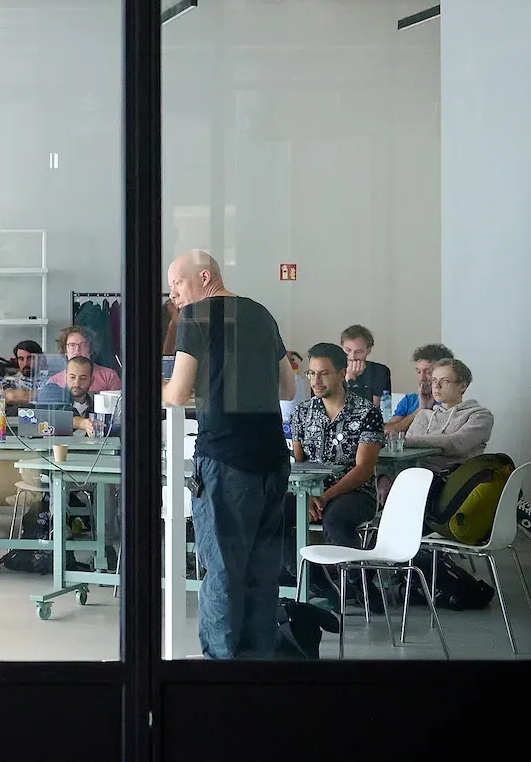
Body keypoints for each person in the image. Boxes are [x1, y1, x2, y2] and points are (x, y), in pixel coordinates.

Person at [164, 250, 295, 660]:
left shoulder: (194, 318)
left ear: (205, 277)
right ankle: (257, 669)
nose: (174, 296)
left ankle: (219, 673)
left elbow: (178, 393)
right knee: (262, 571)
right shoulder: (261, 313)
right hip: (273, 458)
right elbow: (288, 389)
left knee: (222, 570)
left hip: (225, 460)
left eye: (178, 284)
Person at [289, 345, 384, 592]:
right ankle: (316, 581)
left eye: (324, 373)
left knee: (335, 519)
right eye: (311, 374)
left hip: (355, 493)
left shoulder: (367, 412)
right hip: (308, 493)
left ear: (342, 373)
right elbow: (299, 463)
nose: (316, 381)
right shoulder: (301, 412)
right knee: (272, 514)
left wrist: (324, 496)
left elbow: (364, 468)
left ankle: (358, 583)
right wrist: (307, 496)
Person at [404, 358, 494, 476]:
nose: (437, 386)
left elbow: (454, 443)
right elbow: (404, 451)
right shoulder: (423, 415)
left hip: (452, 479)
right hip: (415, 475)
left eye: (444, 381)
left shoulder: (480, 416)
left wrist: (402, 441)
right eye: (434, 380)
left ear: (462, 386)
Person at [384, 343, 451, 436]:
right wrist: (420, 410)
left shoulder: (449, 403)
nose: (422, 378)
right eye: (419, 372)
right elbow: (388, 430)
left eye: (428, 372)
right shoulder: (409, 400)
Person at [36, 356, 104, 432]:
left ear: (92, 380)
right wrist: (82, 423)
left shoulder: (97, 406)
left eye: (83, 378)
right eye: (72, 377)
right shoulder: (50, 391)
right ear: (65, 378)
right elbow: (58, 414)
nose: (77, 384)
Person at [338, 324, 393, 402]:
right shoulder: (334, 370)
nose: (352, 357)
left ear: (369, 350)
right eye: (348, 350)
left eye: (359, 352)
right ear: (341, 347)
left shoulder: (379, 371)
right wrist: (349, 380)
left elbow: (377, 408)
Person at [2, 339, 46, 404]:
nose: (25, 363)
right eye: (21, 359)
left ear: (40, 359)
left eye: (30, 358)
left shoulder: (49, 380)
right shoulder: (10, 381)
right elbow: (11, 397)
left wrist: (23, 394)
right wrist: (46, 394)